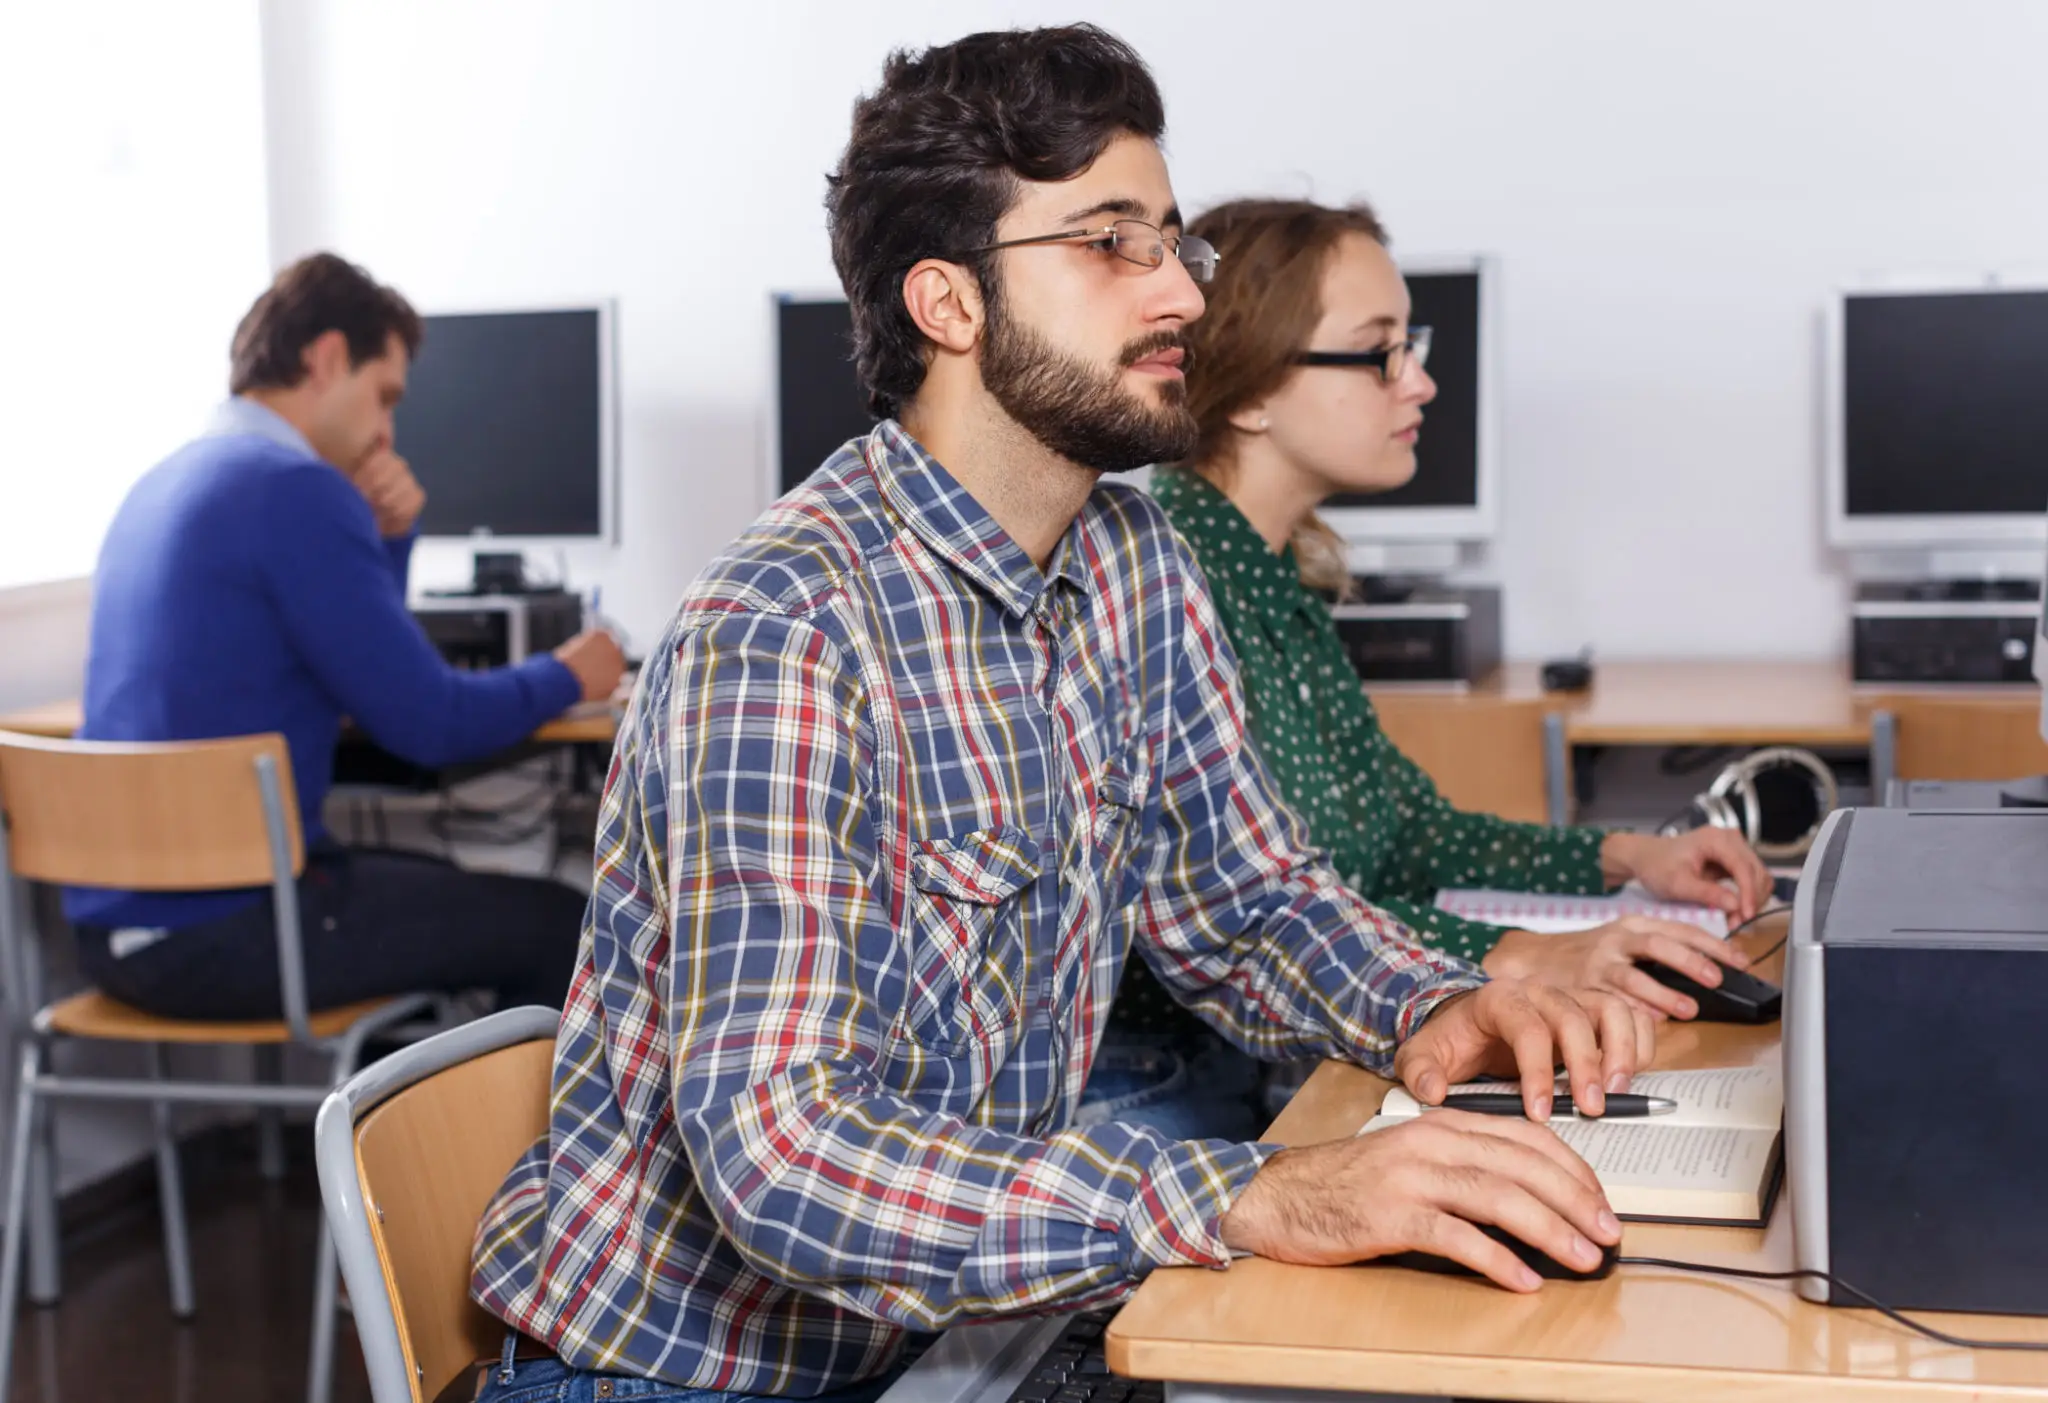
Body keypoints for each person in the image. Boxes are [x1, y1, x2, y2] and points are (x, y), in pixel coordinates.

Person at [467, 26, 1654, 1403]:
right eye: (1110, 243)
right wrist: (1253, 1194)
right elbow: (784, 1154)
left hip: (964, 1326)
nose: (1184, 298)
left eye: (1170, 241)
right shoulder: (786, 629)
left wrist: (1440, 1002)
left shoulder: (1132, 562)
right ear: (949, 305)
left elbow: (1249, 897)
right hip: (700, 1374)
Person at [1089, 197, 1773, 1140]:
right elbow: (1283, 905)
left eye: (1414, 348)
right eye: (1380, 354)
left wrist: (1624, 857)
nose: (1419, 385)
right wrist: (1528, 954)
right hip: (1173, 1088)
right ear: (1246, 391)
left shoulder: (1267, 573)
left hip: (1271, 1061)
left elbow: (1400, 830)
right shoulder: (1172, 584)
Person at [65, 252, 626, 1020]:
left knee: (422, 884)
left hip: (114, 934)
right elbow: (429, 722)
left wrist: (388, 537)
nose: (388, 430)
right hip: (229, 931)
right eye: (384, 396)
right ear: (327, 357)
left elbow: (356, 662)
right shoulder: (293, 489)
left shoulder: (165, 481)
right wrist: (571, 673)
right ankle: (466, 1141)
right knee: (564, 923)